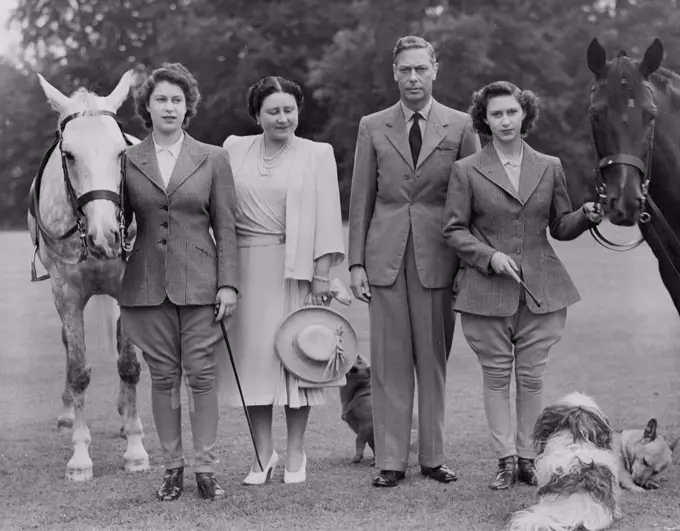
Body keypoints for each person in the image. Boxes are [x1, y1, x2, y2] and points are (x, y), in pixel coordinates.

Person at [442, 81, 603, 490]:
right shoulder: (466, 170)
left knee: (531, 380)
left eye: (512, 112)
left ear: (524, 115)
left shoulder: (550, 165)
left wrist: (586, 214)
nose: (505, 120)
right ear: (485, 119)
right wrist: (489, 256)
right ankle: (506, 461)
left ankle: (529, 459)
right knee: (496, 378)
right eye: (496, 114)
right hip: (485, 293)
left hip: (541, 293)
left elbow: (560, 226)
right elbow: (454, 231)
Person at [347, 35, 481, 488]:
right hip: (383, 258)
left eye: (420, 69)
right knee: (388, 365)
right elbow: (361, 197)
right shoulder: (372, 125)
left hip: (439, 259)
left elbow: (472, 203)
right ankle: (390, 461)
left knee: (433, 363)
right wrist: (355, 265)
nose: (412, 77)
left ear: (434, 70)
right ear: (394, 73)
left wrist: (469, 265)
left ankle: (433, 457)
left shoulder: (461, 126)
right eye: (404, 69)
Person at [119, 63, 238, 501]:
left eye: (176, 99)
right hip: (147, 287)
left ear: (188, 107)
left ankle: (206, 469)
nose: (169, 106)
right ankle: (172, 469)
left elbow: (227, 227)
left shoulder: (214, 158)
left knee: (202, 377)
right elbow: (117, 223)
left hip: (203, 285)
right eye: (160, 99)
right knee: (164, 378)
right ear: (146, 108)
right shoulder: (127, 161)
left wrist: (229, 284)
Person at [218, 76, 345, 485]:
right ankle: (262, 454)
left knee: (296, 361)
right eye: (273, 110)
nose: (283, 117)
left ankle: (295, 453)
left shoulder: (316, 153)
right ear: (257, 114)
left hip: (297, 273)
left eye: (289, 109)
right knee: (254, 362)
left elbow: (328, 213)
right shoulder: (233, 148)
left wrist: (323, 273)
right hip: (245, 269)